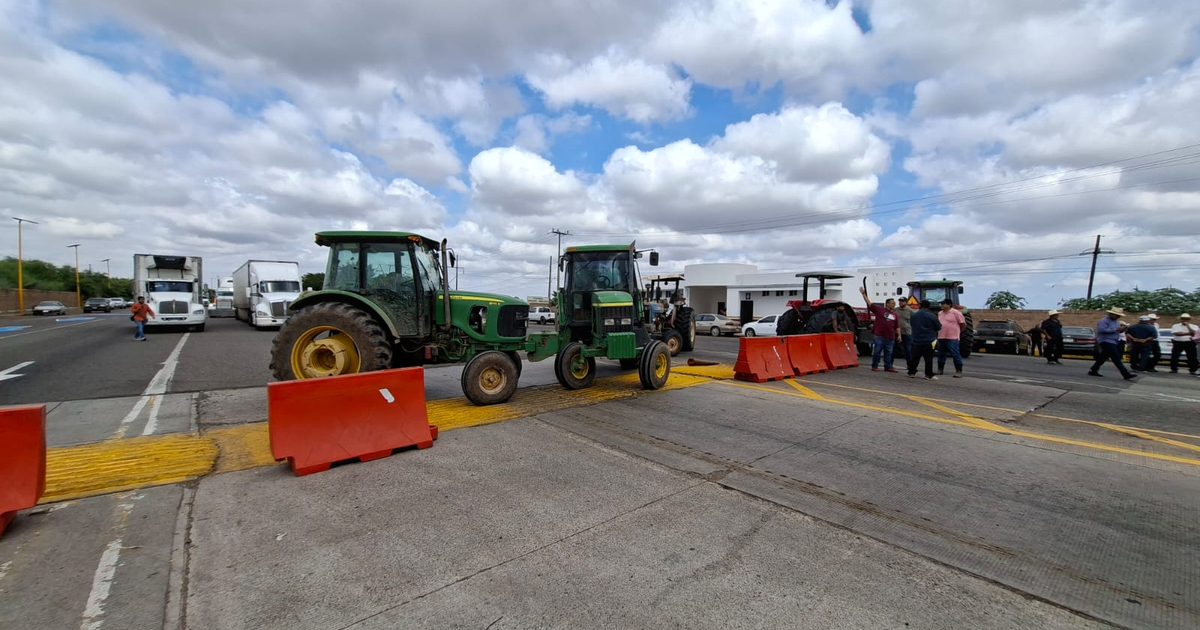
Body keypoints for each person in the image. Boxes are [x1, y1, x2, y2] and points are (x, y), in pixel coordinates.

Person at [859, 287, 900, 373]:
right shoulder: (880, 310)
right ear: (887, 304)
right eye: (892, 303)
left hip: (890, 337)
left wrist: (899, 335)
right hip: (880, 336)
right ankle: (875, 365)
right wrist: (863, 294)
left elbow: (897, 326)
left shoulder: (895, 315)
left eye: (894, 303)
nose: (894, 304)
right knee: (877, 352)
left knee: (889, 353)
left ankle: (888, 367)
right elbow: (869, 303)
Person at [1089, 307, 1135, 380]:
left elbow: (1118, 331)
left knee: (1103, 357)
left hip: (1114, 341)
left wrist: (1122, 330)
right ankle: (1125, 374)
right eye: (1116, 315)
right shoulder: (1103, 321)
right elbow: (1101, 330)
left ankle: (1094, 369)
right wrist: (1116, 329)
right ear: (1111, 314)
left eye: (1119, 315)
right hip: (1106, 341)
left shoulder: (1116, 321)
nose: (1118, 316)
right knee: (1116, 357)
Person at [907, 300, 941, 380]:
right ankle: (928, 375)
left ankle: (911, 372)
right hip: (929, 340)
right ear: (929, 306)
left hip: (916, 339)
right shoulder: (932, 315)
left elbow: (911, 324)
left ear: (920, 305)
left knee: (915, 358)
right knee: (928, 358)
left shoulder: (914, 315)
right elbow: (938, 327)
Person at [936, 299, 966, 377]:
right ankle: (940, 369)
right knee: (941, 353)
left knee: (955, 353)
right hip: (941, 336)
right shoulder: (940, 313)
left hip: (952, 337)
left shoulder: (956, 312)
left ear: (949, 305)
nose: (941, 306)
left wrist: (958, 331)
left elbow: (962, 324)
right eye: (941, 304)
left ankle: (958, 370)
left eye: (943, 304)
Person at [896, 300, 913, 365]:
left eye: (903, 301)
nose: (901, 302)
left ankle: (909, 365)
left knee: (908, 349)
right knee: (893, 349)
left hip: (907, 333)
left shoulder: (910, 311)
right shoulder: (896, 310)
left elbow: (913, 321)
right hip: (897, 332)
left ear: (906, 302)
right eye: (900, 301)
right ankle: (890, 365)